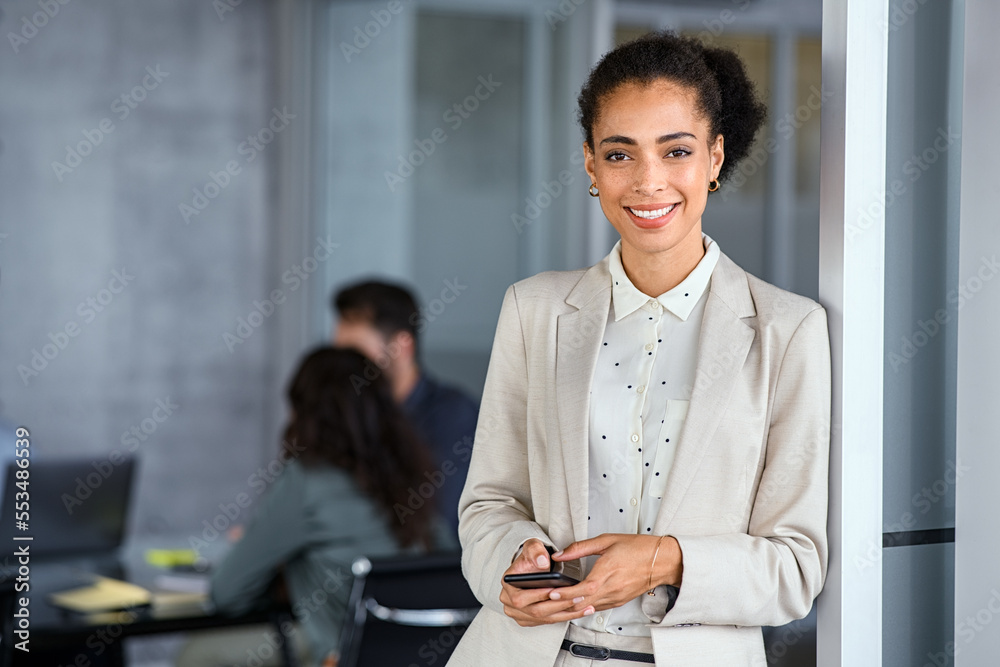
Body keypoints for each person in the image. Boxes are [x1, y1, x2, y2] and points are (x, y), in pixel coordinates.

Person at [448, 32, 831, 666]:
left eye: (675, 151)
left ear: (714, 156)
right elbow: (490, 502)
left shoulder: (788, 330)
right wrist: (511, 564)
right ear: (592, 166)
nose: (648, 183)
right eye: (620, 155)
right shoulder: (533, 310)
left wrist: (665, 560)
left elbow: (796, 566)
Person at [178, 347, 449, 667]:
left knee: (197, 654)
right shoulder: (413, 475)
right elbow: (446, 565)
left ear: (305, 414)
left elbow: (227, 593)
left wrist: (279, 569)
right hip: (421, 654)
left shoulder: (306, 479)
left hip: (339, 654)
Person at [332, 280, 479, 537]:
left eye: (356, 355)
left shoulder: (452, 416)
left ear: (401, 347)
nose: (344, 369)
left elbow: (435, 525)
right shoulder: (347, 416)